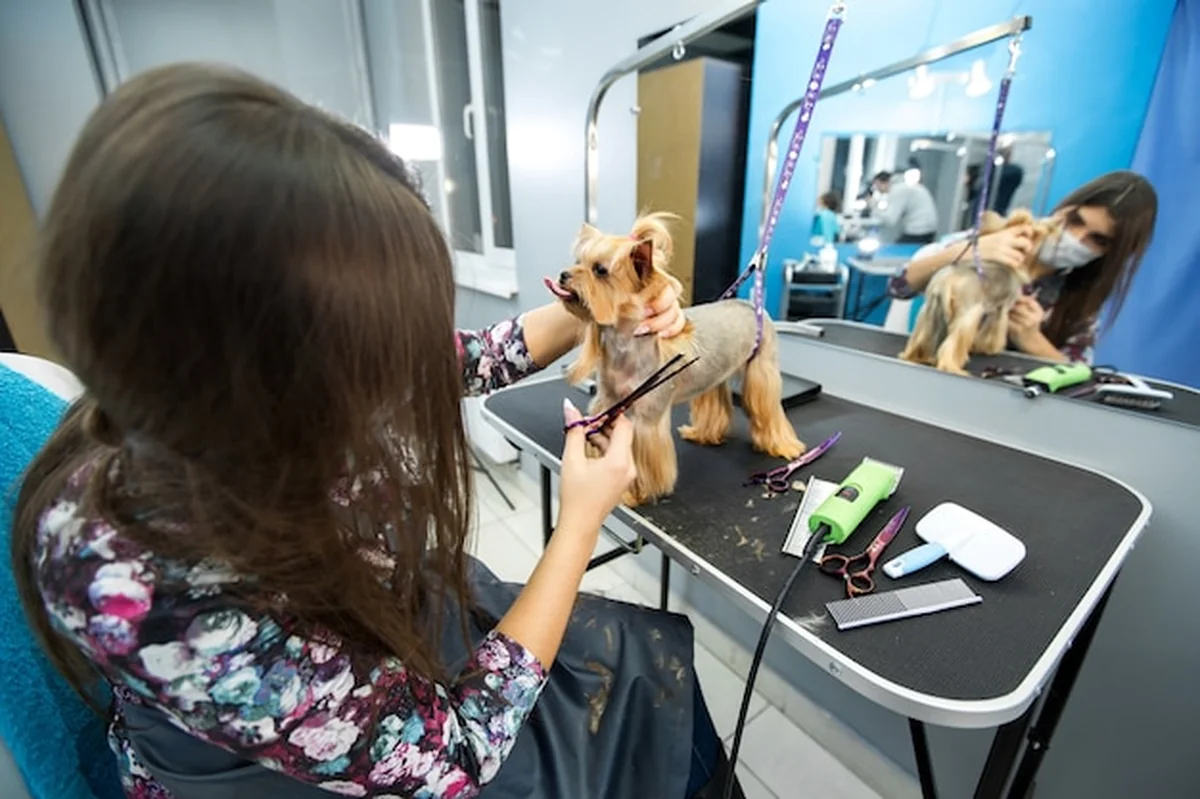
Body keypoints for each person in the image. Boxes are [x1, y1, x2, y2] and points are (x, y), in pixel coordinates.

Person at [11, 64, 743, 799]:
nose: (402, 363)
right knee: (659, 719)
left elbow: (463, 359)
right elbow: (452, 757)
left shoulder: (214, 380)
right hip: (302, 763)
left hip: (372, 623)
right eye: (377, 343)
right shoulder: (143, 585)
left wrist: (604, 305)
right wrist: (579, 520)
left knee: (650, 677)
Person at [887, 170, 1158, 364]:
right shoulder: (998, 237)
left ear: (1112, 252)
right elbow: (899, 286)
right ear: (1066, 208)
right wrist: (966, 251)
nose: (1077, 238)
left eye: (1097, 240)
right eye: (1076, 220)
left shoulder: (1079, 299)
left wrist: (1033, 340)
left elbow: (1080, 379)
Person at [871, 170, 938, 244]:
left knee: (894, 253)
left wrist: (874, 207)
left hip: (918, 231)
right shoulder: (905, 186)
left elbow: (891, 220)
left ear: (883, 183)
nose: (876, 188)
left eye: (876, 185)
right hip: (928, 229)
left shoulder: (898, 190)